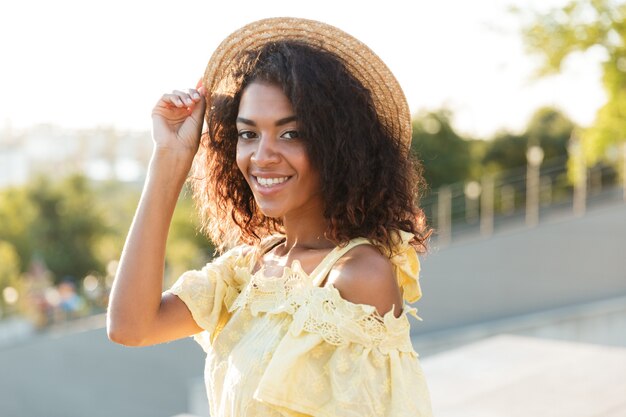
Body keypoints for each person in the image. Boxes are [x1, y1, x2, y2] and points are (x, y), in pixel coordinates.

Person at [107, 17, 433, 417]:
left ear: (339, 146)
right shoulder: (249, 269)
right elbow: (130, 327)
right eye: (248, 134)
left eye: (291, 133)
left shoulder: (356, 276)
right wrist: (170, 158)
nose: (262, 156)